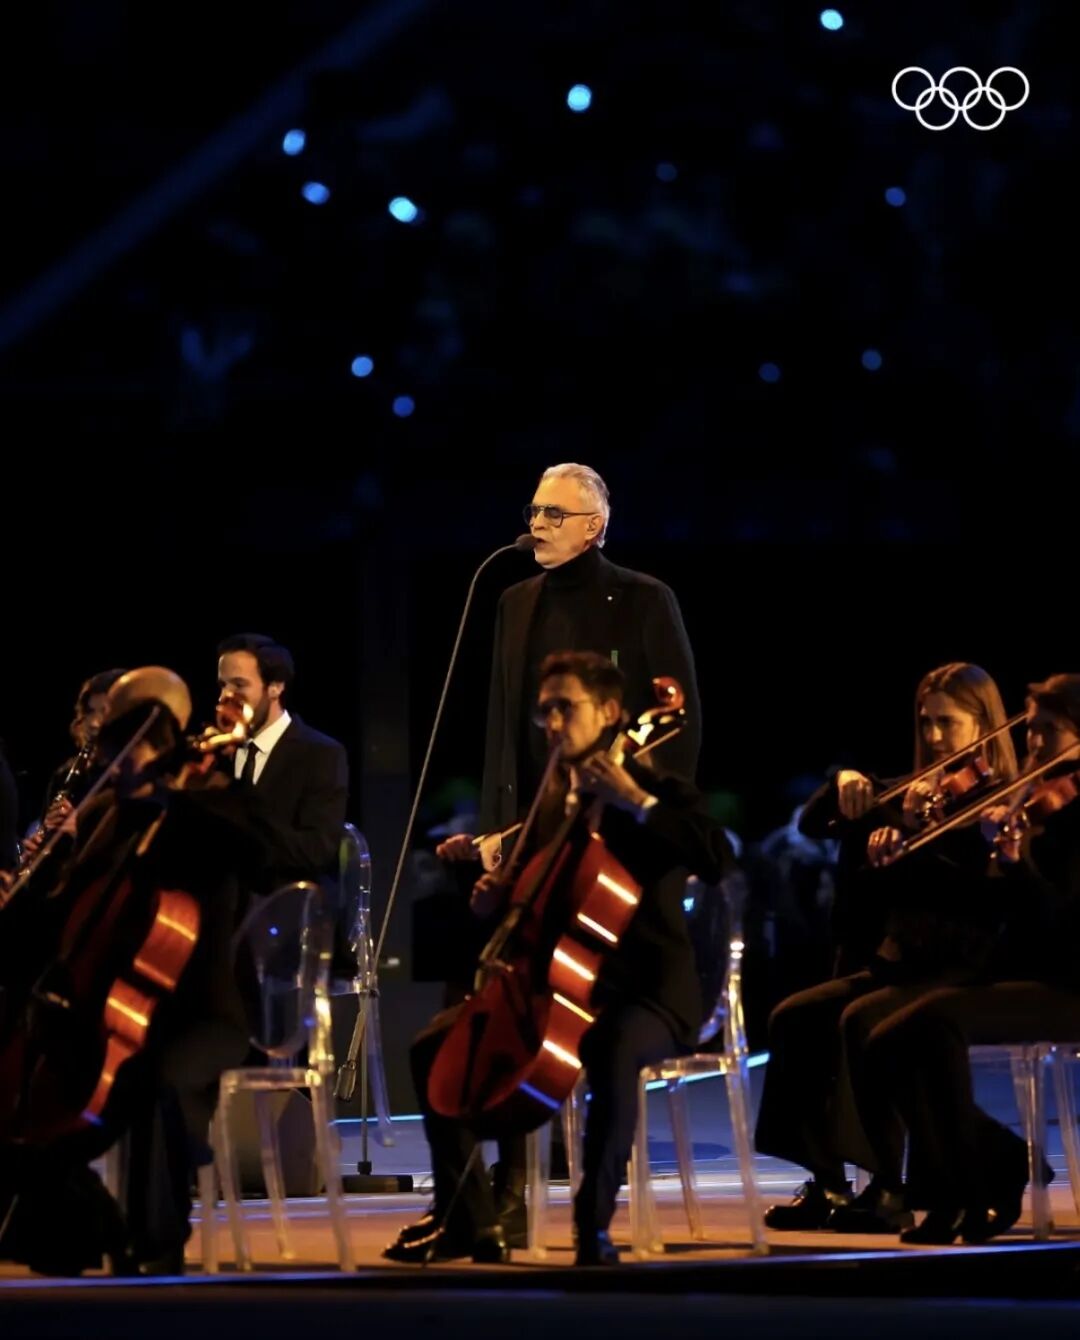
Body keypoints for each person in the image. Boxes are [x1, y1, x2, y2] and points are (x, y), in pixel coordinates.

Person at [386, 650, 733, 1266]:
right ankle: (473, 1222)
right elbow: (540, 899)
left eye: (564, 708)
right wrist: (497, 896)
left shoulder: (653, 788)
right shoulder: (555, 802)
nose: (550, 723)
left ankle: (590, 1227)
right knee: (432, 1048)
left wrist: (635, 801)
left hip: (647, 991)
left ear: (609, 712)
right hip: (564, 987)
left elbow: (716, 858)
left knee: (610, 1048)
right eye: (543, 710)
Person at [0, 667, 266, 1275]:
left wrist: (171, 796)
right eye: (106, 753)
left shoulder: (209, 801)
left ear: (156, 750)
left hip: (200, 1014)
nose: (108, 766)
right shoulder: (106, 814)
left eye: (121, 753)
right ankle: (96, 1224)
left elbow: (257, 853)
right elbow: (57, 914)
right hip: (107, 1011)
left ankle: (155, 1242)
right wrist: (28, 889)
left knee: (156, 1080)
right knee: (22, 1107)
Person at [755, 661, 1019, 1233]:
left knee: (863, 1020)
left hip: (966, 964)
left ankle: (895, 1185)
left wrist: (913, 837)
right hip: (903, 962)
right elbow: (815, 824)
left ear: (983, 725)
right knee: (795, 1017)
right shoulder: (918, 794)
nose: (934, 736)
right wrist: (843, 782)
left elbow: (976, 894)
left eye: (948, 723)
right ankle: (828, 1178)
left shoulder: (1000, 803)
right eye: (926, 722)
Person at [853, 673, 1080, 1244]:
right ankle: (992, 1169)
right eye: (1032, 731)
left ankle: (967, 1195)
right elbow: (1005, 908)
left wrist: (1017, 863)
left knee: (931, 1025)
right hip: (1019, 972)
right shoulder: (1031, 800)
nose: (1035, 745)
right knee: (885, 1040)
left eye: (1050, 731)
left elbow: (1060, 920)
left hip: (1067, 982)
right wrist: (999, 859)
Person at [215, 633, 348, 898]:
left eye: (239, 685)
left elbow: (316, 851)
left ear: (275, 687)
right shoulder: (217, 753)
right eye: (222, 685)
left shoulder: (320, 753)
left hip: (282, 910)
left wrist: (238, 800)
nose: (225, 697)